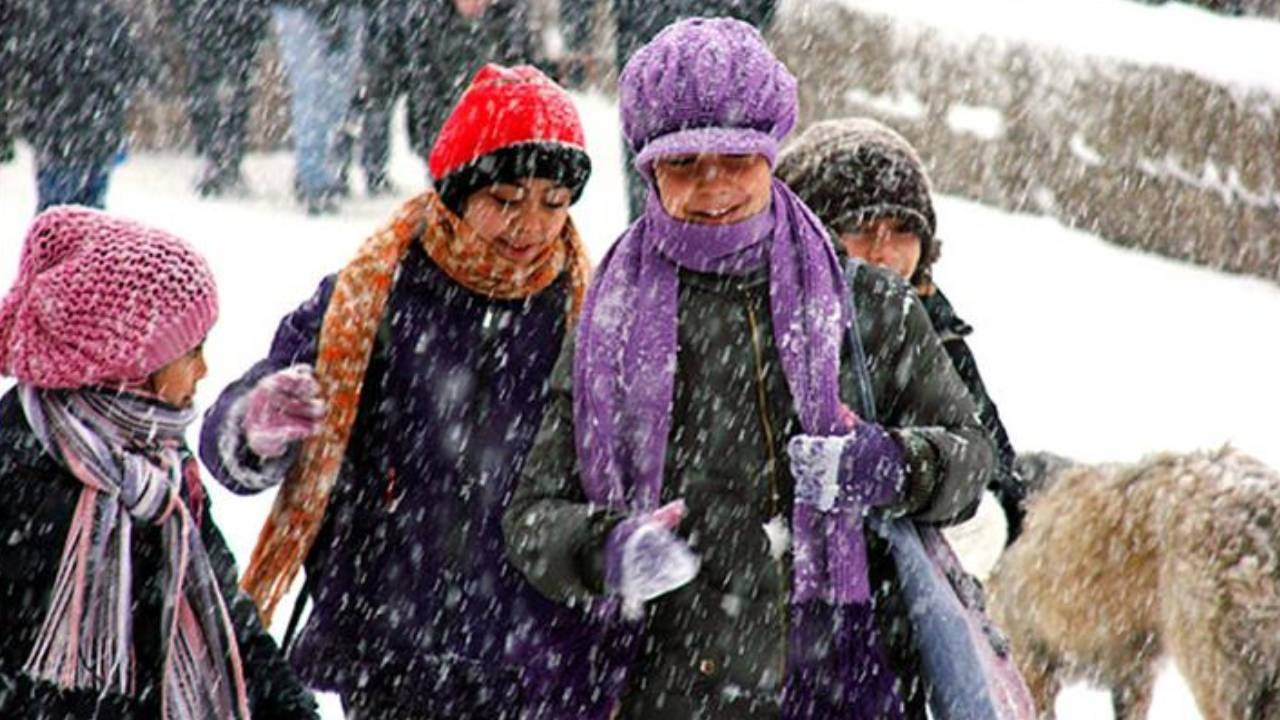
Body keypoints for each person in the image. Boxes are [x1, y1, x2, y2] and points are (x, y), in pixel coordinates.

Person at [503, 18, 995, 719]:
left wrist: (893, 464)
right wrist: (606, 548)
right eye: (683, 164)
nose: (713, 187)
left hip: (841, 679)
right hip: (670, 687)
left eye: (736, 159)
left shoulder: (867, 303)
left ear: (770, 153)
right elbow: (532, 516)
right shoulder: (608, 321)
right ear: (648, 168)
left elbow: (972, 460)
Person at [199, 64, 593, 719]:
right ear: (456, 193)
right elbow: (227, 444)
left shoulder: (586, 308)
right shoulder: (370, 296)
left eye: (554, 202)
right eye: (506, 197)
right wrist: (255, 424)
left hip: (536, 642)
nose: (530, 225)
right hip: (392, 635)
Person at [0, 206, 318, 719]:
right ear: (128, 360)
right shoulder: (22, 471)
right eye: (190, 351)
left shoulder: (162, 463)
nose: (204, 368)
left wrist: (289, 706)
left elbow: (224, 610)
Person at [776, 117, 1027, 542]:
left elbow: (994, 473)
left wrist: (903, 470)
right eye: (858, 227)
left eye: (902, 231)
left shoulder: (936, 331)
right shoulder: (771, 323)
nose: (882, 252)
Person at [559, 0, 778, 218]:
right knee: (668, 156)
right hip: (662, 29)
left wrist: (577, 36)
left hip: (653, 26)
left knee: (668, 159)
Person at [11, 0, 149, 211]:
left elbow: (30, 71)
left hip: (57, 133)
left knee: (55, 215)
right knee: (92, 215)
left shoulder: (45, 18)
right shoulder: (107, 18)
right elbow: (133, 68)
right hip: (97, 132)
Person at [272, 0, 365, 214]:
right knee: (311, 90)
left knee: (336, 97)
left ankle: (319, 169)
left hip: (346, 8)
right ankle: (314, 177)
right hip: (299, 8)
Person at [170, 0, 270, 196]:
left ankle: (221, 156)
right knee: (221, 89)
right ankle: (218, 155)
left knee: (225, 90)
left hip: (233, 18)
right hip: (227, 18)